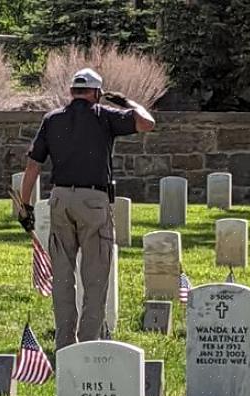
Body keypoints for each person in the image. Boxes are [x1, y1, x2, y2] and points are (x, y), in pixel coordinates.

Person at [19, 67, 155, 351]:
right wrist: (126, 102)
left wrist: (25, 205)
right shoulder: (104, 116)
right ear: (97, 93)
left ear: (71, 92)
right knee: (95, 276)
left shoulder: (51, 120)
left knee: (63, 276)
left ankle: (65, 344)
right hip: (93, 201)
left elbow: (33, 165)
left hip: (59, 200)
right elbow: (147, 123)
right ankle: (88, 344)